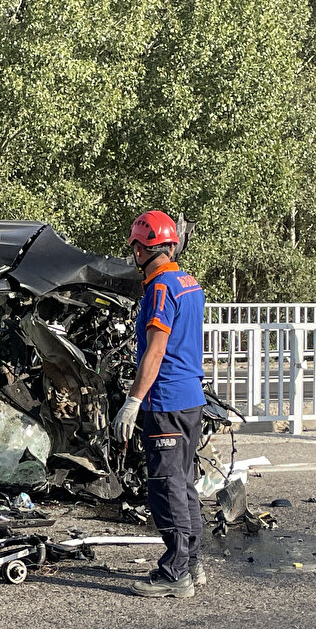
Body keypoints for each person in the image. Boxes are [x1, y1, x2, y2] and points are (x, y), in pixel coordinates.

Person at [112, 210, 206, 599]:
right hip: (191, 400)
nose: (133, 254)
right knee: (184, 484)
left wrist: (133, 402)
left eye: (134, 246)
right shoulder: (189, 283)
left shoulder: (161, 289)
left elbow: (155, 351)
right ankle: (192, 563)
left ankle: (175, 573)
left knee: (166, 487)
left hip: (165, 399)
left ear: (143, 248)